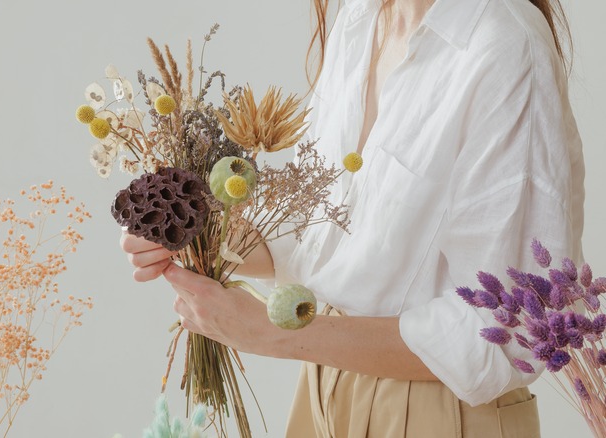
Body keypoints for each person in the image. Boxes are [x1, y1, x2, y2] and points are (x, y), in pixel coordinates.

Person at [120, 0, 584, 436]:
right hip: (322, 389)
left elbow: (505, 329)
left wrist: (268, 332)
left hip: (437, 411)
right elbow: (320, 236)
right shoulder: (362, 20)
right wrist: (190, 229)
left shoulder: (504, 45)